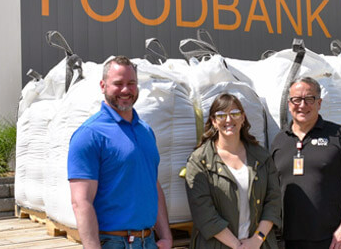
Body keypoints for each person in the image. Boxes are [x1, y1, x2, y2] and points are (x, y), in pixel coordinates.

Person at [68, 56, 173, 249]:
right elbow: (81, 202)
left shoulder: (146, 131)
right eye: (118, 83)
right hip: (113, 243)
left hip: (148, 241)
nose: (126, 90)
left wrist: (166, 236)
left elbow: (152, 184)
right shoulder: (90, 134)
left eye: (131, 83)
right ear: (103, 85)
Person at [271, 77, 341, 249]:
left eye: (309, 99)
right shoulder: (279, 141)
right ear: (289, 103)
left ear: (319, 103)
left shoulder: (338, 135)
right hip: (291, 239)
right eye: (296, 99)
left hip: (332, 239)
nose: (302, 105)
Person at [185, 93, 282, 249]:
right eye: (221, 115)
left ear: (243, 118)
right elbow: (203, 212)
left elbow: (274, 201)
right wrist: (237, 246)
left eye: (235, 114)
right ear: (213, 122)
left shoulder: (261, 156)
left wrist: (257, 240)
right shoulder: (199, 161)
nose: (229, 120)